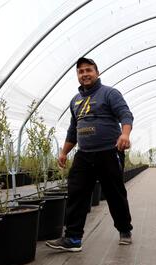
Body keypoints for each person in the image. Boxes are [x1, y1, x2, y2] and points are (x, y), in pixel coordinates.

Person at [46, 57, 134, 252]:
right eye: (81, 71)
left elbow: (125, 114)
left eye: (88, 70)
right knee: (76, 194)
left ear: (97, 72)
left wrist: (125, 134)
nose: (84, 74)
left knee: (114, 193)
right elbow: (73, 130)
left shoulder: (110, 93)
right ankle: (73, 238)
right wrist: (64, 152)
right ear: (78, 75)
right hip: (84, 155)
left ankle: (124, 230)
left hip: (109, 153)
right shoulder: (75, 101)